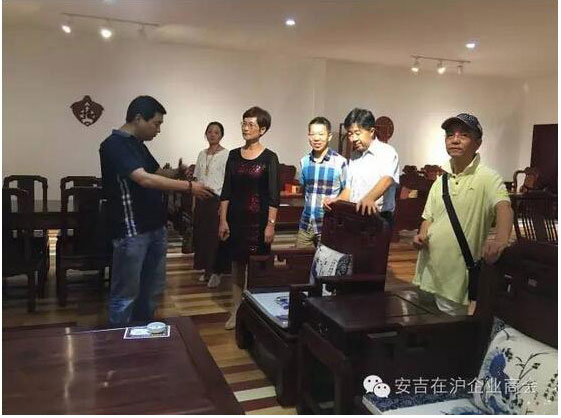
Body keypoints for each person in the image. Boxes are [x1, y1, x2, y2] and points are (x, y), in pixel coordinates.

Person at [99, 95, 213, 327]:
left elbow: (158, 173)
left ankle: (142, 336)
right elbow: (144, 179)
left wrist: (178, 173)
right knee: (126, 295)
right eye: (156, 123)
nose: (158, 130)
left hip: (155, 227)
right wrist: (189, 187)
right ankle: (119, 340)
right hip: (132, 230)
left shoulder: (138, 145)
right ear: (138, 118)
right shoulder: (114, 144)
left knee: (151, 291)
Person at [412, 113, 513, 316]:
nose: (455, 140)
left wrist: (501, 240)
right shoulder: (441, 181)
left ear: (478, 143)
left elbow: (504, 207)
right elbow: (429, 217)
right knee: (420, 325)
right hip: (427, 273)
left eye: (464, 135)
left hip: (455, 281)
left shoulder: (488, 178)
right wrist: (422, 235)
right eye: (450, 135)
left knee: (450, 329)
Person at [219, 106, 280, 330]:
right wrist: (223, 220)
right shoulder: (233, 155)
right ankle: (236, 311)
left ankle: (255, 313)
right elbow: (226, 190)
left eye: (251, 124)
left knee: (256, 269)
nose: (246, 128)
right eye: (244, 123)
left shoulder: (270, 158)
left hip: (259, 222)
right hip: (235, 219)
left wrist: (270, 225)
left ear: (262, 129)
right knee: (236, 266)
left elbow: (274, 196)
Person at [325, 108, 399, 229]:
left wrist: (369, 198)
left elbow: (387, 179)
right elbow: (349, 189)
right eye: (350, 134)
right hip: (355, 215)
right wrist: (337, 200)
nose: (353, 138)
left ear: (371, 131)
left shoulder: (387, 152)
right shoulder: (354, 156)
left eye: (357, 133)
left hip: (378, 217)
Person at [297, 116, 348, 247]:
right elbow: (305, 190)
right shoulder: (304, 162)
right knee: (298, 258)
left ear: (329, 136)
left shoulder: (340, 162)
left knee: (326, 260)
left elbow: (348, 191)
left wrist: (336, 201)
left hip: (329, 225)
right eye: (313, 134)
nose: (316, 138)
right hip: (306, 224)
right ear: (308, 136)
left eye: (321, 134)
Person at [193, 121, 229, 288]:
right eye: (210, 132)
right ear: (205, 134)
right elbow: (197, 178)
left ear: (221, 135)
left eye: (216, 132)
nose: (212, 135)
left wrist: (223, 204)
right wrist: (195, 202)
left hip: (217, 199)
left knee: (215, 238)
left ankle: (216, 272)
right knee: (202, 237)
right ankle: (206, 269)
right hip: (201, 198)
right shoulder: (202, 154)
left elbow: (228, 181)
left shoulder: (226, 154)